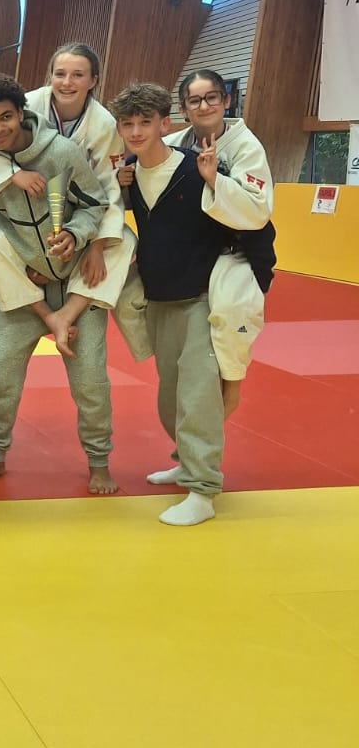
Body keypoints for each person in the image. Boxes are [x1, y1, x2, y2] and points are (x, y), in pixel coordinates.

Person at [0, 74, 117, 495]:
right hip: (24, 294)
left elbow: (95, 205)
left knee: (91, 382)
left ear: (21, 112)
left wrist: (76, 235)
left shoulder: (61, 152)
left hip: (74, 282)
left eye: (6, 117)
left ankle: (99, 461)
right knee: (0, 376)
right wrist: (15, 262)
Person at [108, 81, 227, 526]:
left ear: (166, 123)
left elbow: (245, 219)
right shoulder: (129, 173)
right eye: (128, 124)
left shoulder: (198, 168)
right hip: (158, 296)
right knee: (170, 393)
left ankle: (203, 488)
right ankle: (185, 460)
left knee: (198, 395)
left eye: (146, 122)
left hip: (201, 297)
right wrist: (119, 185)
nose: (136, 132)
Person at [163, 70, 275, 417]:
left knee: (228, 327)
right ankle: (191, 443)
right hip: (189, 252)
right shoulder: (174, 144)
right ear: (184, 109)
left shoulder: (245, 146)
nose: (204, 106)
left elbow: (257, 211)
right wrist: (127, 174)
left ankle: (229, 392)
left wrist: (215, 180)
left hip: (236, 252)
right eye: (194, 100)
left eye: (211, 97)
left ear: (226, 100)